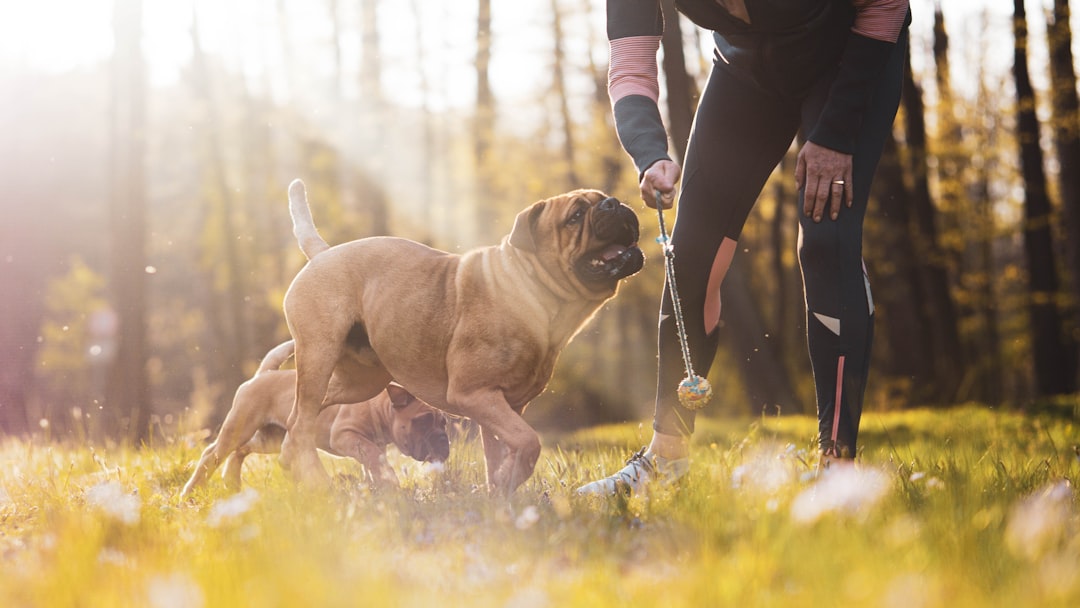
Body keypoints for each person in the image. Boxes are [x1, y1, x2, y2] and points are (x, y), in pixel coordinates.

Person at [576, 0, 911, 496]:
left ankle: (837, 469)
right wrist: (650, 154)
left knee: (825, 241)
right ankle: (665, 462)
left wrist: (837, 134)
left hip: (849, 60)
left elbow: (886, 6)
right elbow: (630, 67)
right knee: (690, 253)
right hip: (748, 72)